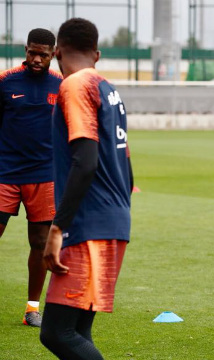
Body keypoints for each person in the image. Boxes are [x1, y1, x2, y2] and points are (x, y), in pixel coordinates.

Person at [39, 18, 132, 360]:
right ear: (97, 54)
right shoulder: (109, 88)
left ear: (57, 52)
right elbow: (125, 163)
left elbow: (86, 160)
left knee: (56, 332)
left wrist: (58, 227)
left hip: (88, 224)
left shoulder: (75, 86)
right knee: (78, 331)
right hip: (114, 221)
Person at [0, 28, 62, 327]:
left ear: (54, 53)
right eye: (32, 53)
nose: (36, 59)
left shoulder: (61, 85)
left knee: (39, 242)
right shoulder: (5, 81)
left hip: (43, 175)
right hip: (5, 172)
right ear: (26, 50)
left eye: (43, 54)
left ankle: (31, 309)